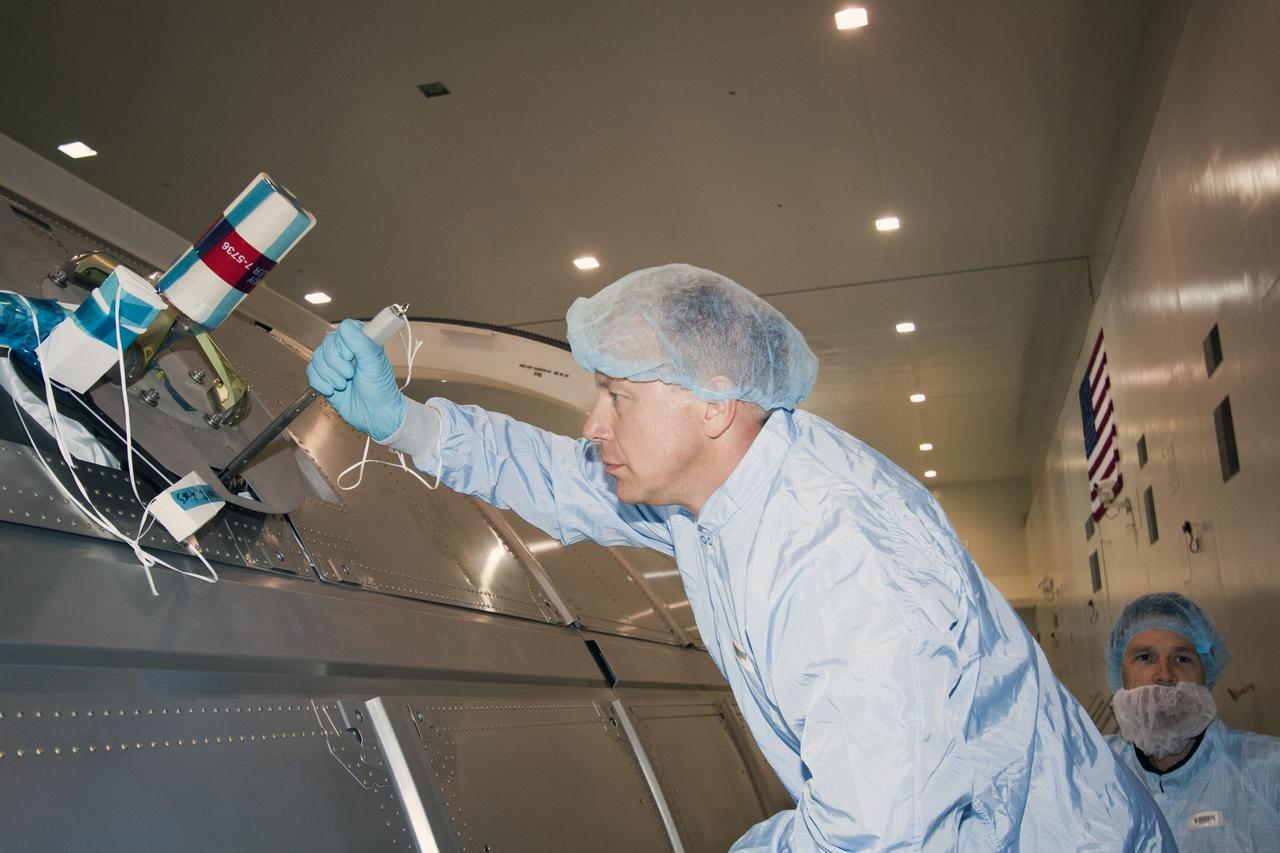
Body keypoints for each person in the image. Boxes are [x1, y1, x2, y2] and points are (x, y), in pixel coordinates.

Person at [309, 263, 1171, 850]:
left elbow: (879, 830)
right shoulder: (722, 497)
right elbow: (564, 478)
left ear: (713, 405)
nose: (593, 423)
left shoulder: (840, 557)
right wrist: (406, 422)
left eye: (617, 396)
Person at [1105, 592, 1280, 850]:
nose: (1164, 675)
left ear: (1205, 672)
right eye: (1145, 657)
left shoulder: (1268, 771)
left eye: (1181, 658)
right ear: (1120, 673)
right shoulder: (1098, 775)